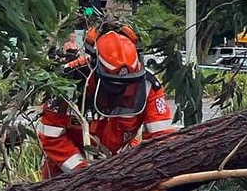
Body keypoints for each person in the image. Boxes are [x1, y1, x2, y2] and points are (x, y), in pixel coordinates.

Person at [37, 24, 177, 178]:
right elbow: (50, 136)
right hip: (63, 177)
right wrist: (82, 172)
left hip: (120, 167)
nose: (123, 91)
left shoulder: (148, 85)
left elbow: (161, 138)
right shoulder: (69, 81)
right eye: (115, 85)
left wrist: (146, 172)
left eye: (127, 84)